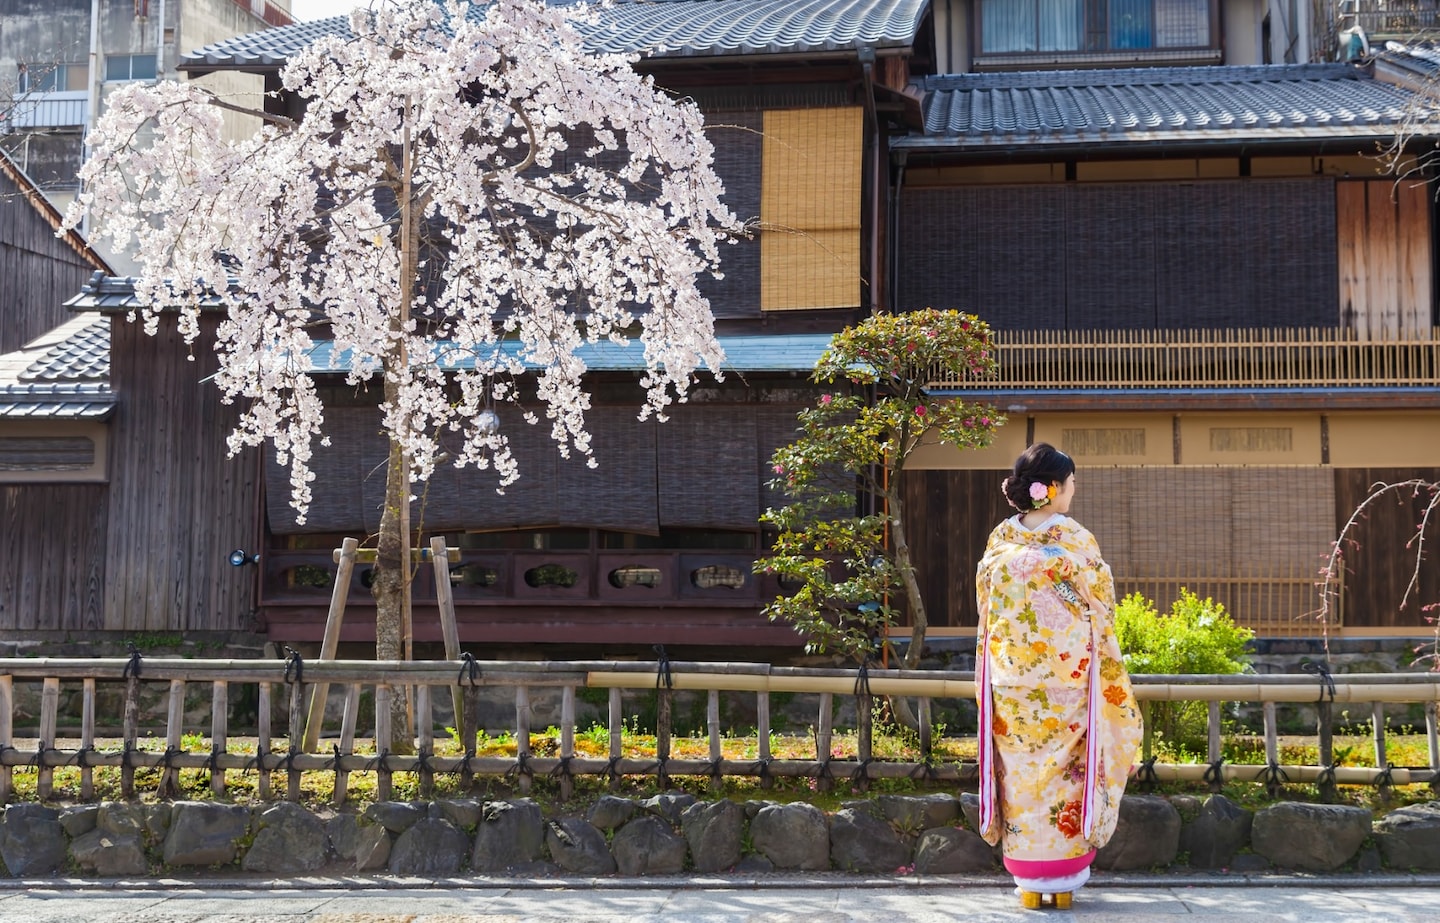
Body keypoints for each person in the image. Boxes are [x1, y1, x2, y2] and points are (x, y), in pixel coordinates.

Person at [973, 442, 1142, 910]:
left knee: (1021, 777)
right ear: (1053, 489)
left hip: (1009, 683)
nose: (1074, 489)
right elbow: (1100, 606)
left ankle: (1028, 878)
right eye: (1070, 483)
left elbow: (987, 611)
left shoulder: (1000, 541)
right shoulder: (1073, 540)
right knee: (1066, 778)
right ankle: (1063, 877)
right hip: (1067, 682)